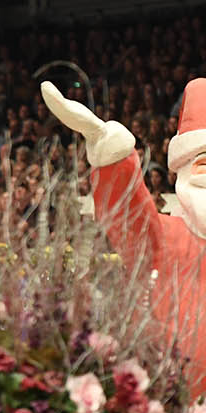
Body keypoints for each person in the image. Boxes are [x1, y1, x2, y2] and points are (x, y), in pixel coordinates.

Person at [42, 79, 206, 391]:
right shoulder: (163, 238)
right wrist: (111, 153)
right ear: (185, 170)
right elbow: (127, 212)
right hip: (176, 411)